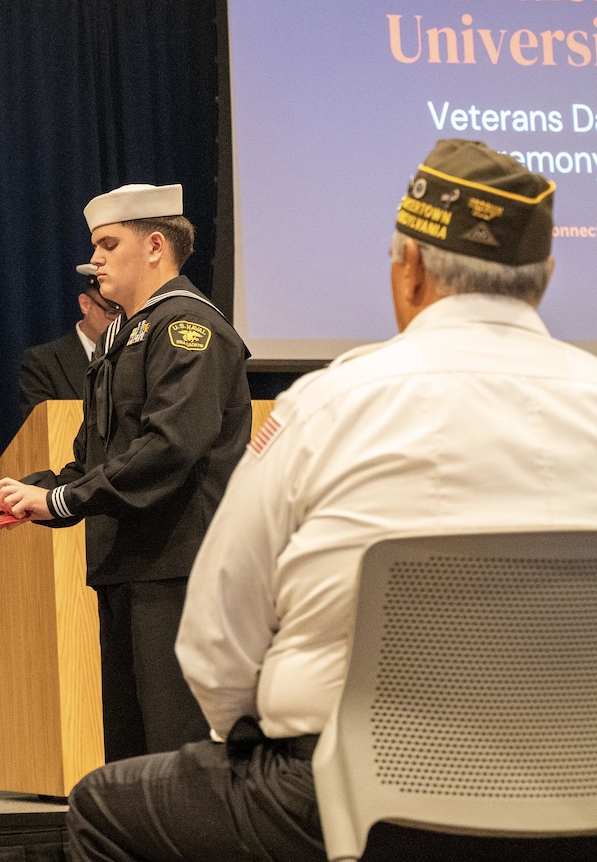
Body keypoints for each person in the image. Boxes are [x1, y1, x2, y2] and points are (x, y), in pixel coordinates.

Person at [65, 139, 597, 861]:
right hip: (582, 794)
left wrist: (245, 738)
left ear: (408, 271)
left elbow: (218, 637)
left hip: (347, 797)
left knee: (103, 806)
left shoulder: (326, 407)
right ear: (546, 277)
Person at [0, 183, 251, 763]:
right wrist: (27, 494)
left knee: (178, 760)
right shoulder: (123, 335)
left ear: (155, 246)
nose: (95, 260)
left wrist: (62, 501)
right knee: (133, 762)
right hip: (128, 568)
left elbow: (170, 449)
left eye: (108, 244)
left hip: (181, 573)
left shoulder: (188, 328)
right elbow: (92, 464)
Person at [17, 265, 120, 418]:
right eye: (112, 312)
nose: (119, 321)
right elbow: (42, 428)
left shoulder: (133, 356)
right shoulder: (43, 362)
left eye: (124, 313)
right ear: (85, 304)